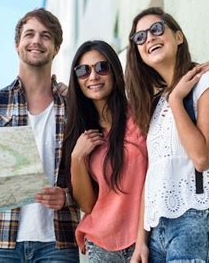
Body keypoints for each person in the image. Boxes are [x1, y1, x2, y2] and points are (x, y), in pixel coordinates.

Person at [0, 8, 80, 262]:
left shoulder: (74, 108)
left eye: (45, 36)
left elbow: (95, 174)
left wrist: (66, 197)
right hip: (2, 243)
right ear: (17, 45)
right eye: (30, 34)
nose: (36, 41)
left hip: (58, 242)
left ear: (56, 48)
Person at [126, 7, 209, 262]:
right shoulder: (155, 105)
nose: (149, 38)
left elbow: (202, 157)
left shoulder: (208, 83)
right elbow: (154, 175)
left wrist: (176, 100)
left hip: (199, 218)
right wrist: (141, 241)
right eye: (140, 37)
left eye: (156, 29)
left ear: (178, 37)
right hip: (156, 234)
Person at [61, 40, 148, 262]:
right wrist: (77, 157)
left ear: (114, 71)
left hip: (147, 238)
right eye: (83, 71)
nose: (93, 76)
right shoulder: (82, 133)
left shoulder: (140, 117)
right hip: (101, 245)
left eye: (102, 67)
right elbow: (88, 205)